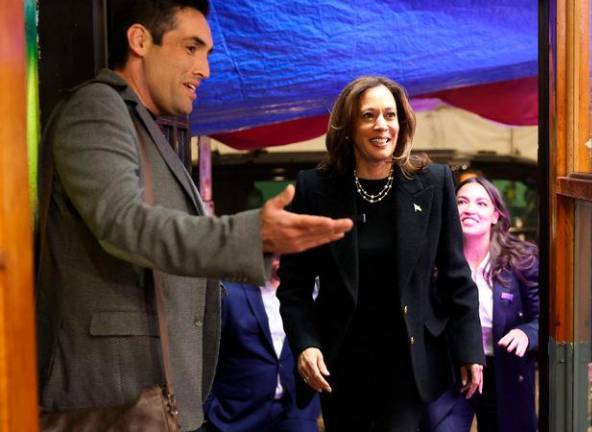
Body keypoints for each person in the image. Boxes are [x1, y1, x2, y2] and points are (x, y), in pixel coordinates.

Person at [35, 1, 351, 431]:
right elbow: (123, 222)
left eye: (207, 54)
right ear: (140, 40)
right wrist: (250, 236)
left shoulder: (145, 124)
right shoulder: (97, 108)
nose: (204, 68)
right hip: (112, 390)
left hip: (156, 391)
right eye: (191, 48)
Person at [277, 76, 485, 431]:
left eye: (390, 115)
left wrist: (469, 349)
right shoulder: (314, 189)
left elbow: (455, 276)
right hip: (340, 361)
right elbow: (294, 287)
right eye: (368, 116)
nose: (381, 125)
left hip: (408, 358)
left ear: (402, 124)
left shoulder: (434, 183)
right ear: (349, 127)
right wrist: (306, 344)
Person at [423, 176, 540, 432]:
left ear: (496, 215)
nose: (469, 209)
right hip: (452, 372)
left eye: (480, 203)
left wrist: (526, 332)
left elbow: (546, 321)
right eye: (461, 202)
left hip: (505, 372)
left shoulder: (521, 260)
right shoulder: (433, 262)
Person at [204, 255, 320, 432]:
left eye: (285, 255)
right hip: (236, 417)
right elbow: (204, 355)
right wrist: (211, 408)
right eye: (272, 255)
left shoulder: (310, 292)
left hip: (296, 414)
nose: (278, 262)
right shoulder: (227, 290)